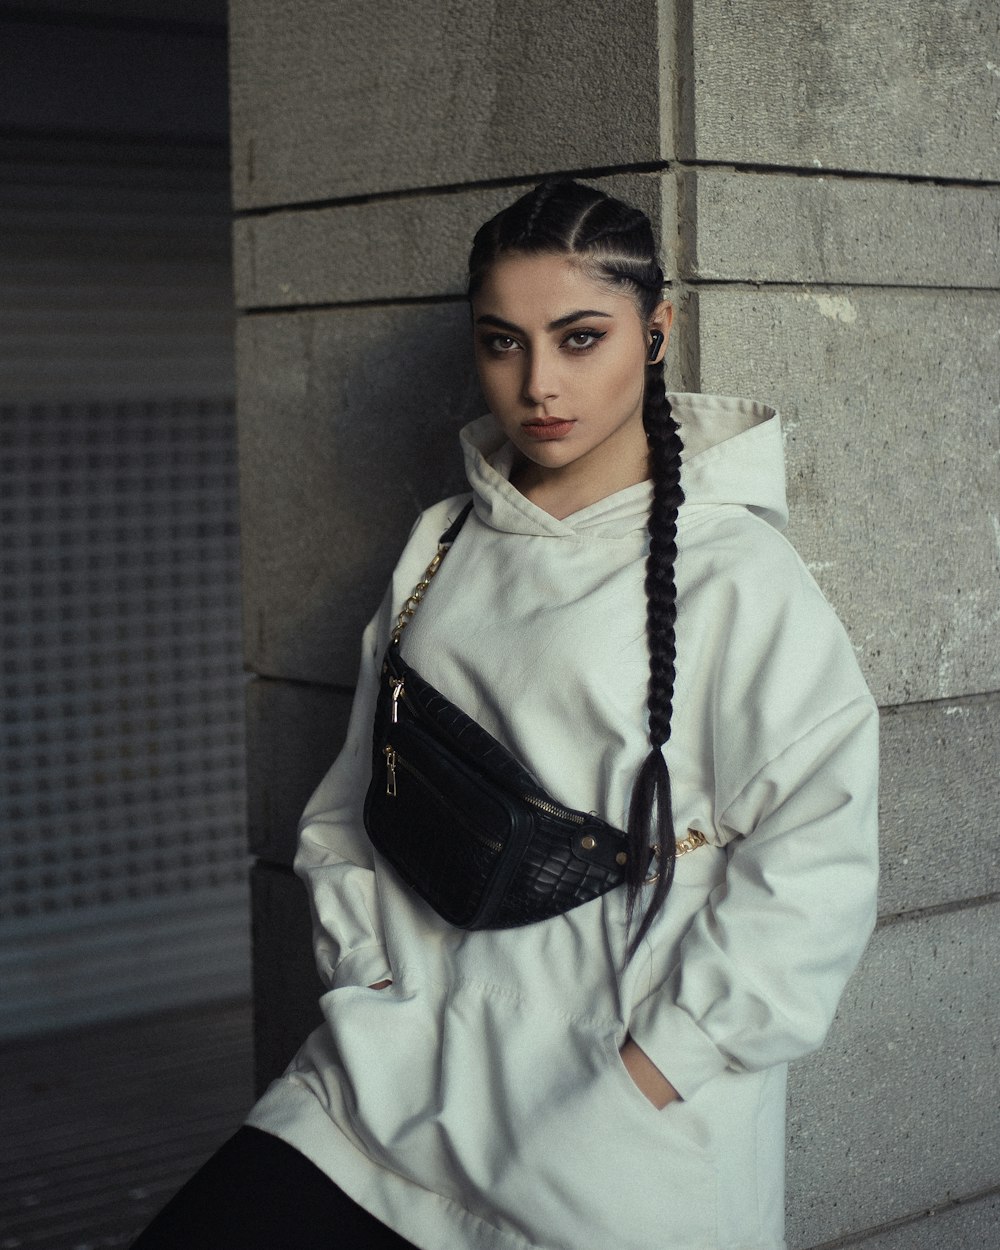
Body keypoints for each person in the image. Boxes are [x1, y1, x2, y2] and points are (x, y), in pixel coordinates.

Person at [131, 178, 879, 1250]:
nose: (539, 384)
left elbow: (818, 859)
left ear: (656, 331)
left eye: (580, 338)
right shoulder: (441, 541)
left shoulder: (736, 573)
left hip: (595, 1127)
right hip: (380, 1082)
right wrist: (365, 976)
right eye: (503, 342)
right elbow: (351, 798)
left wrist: (652, 1069)